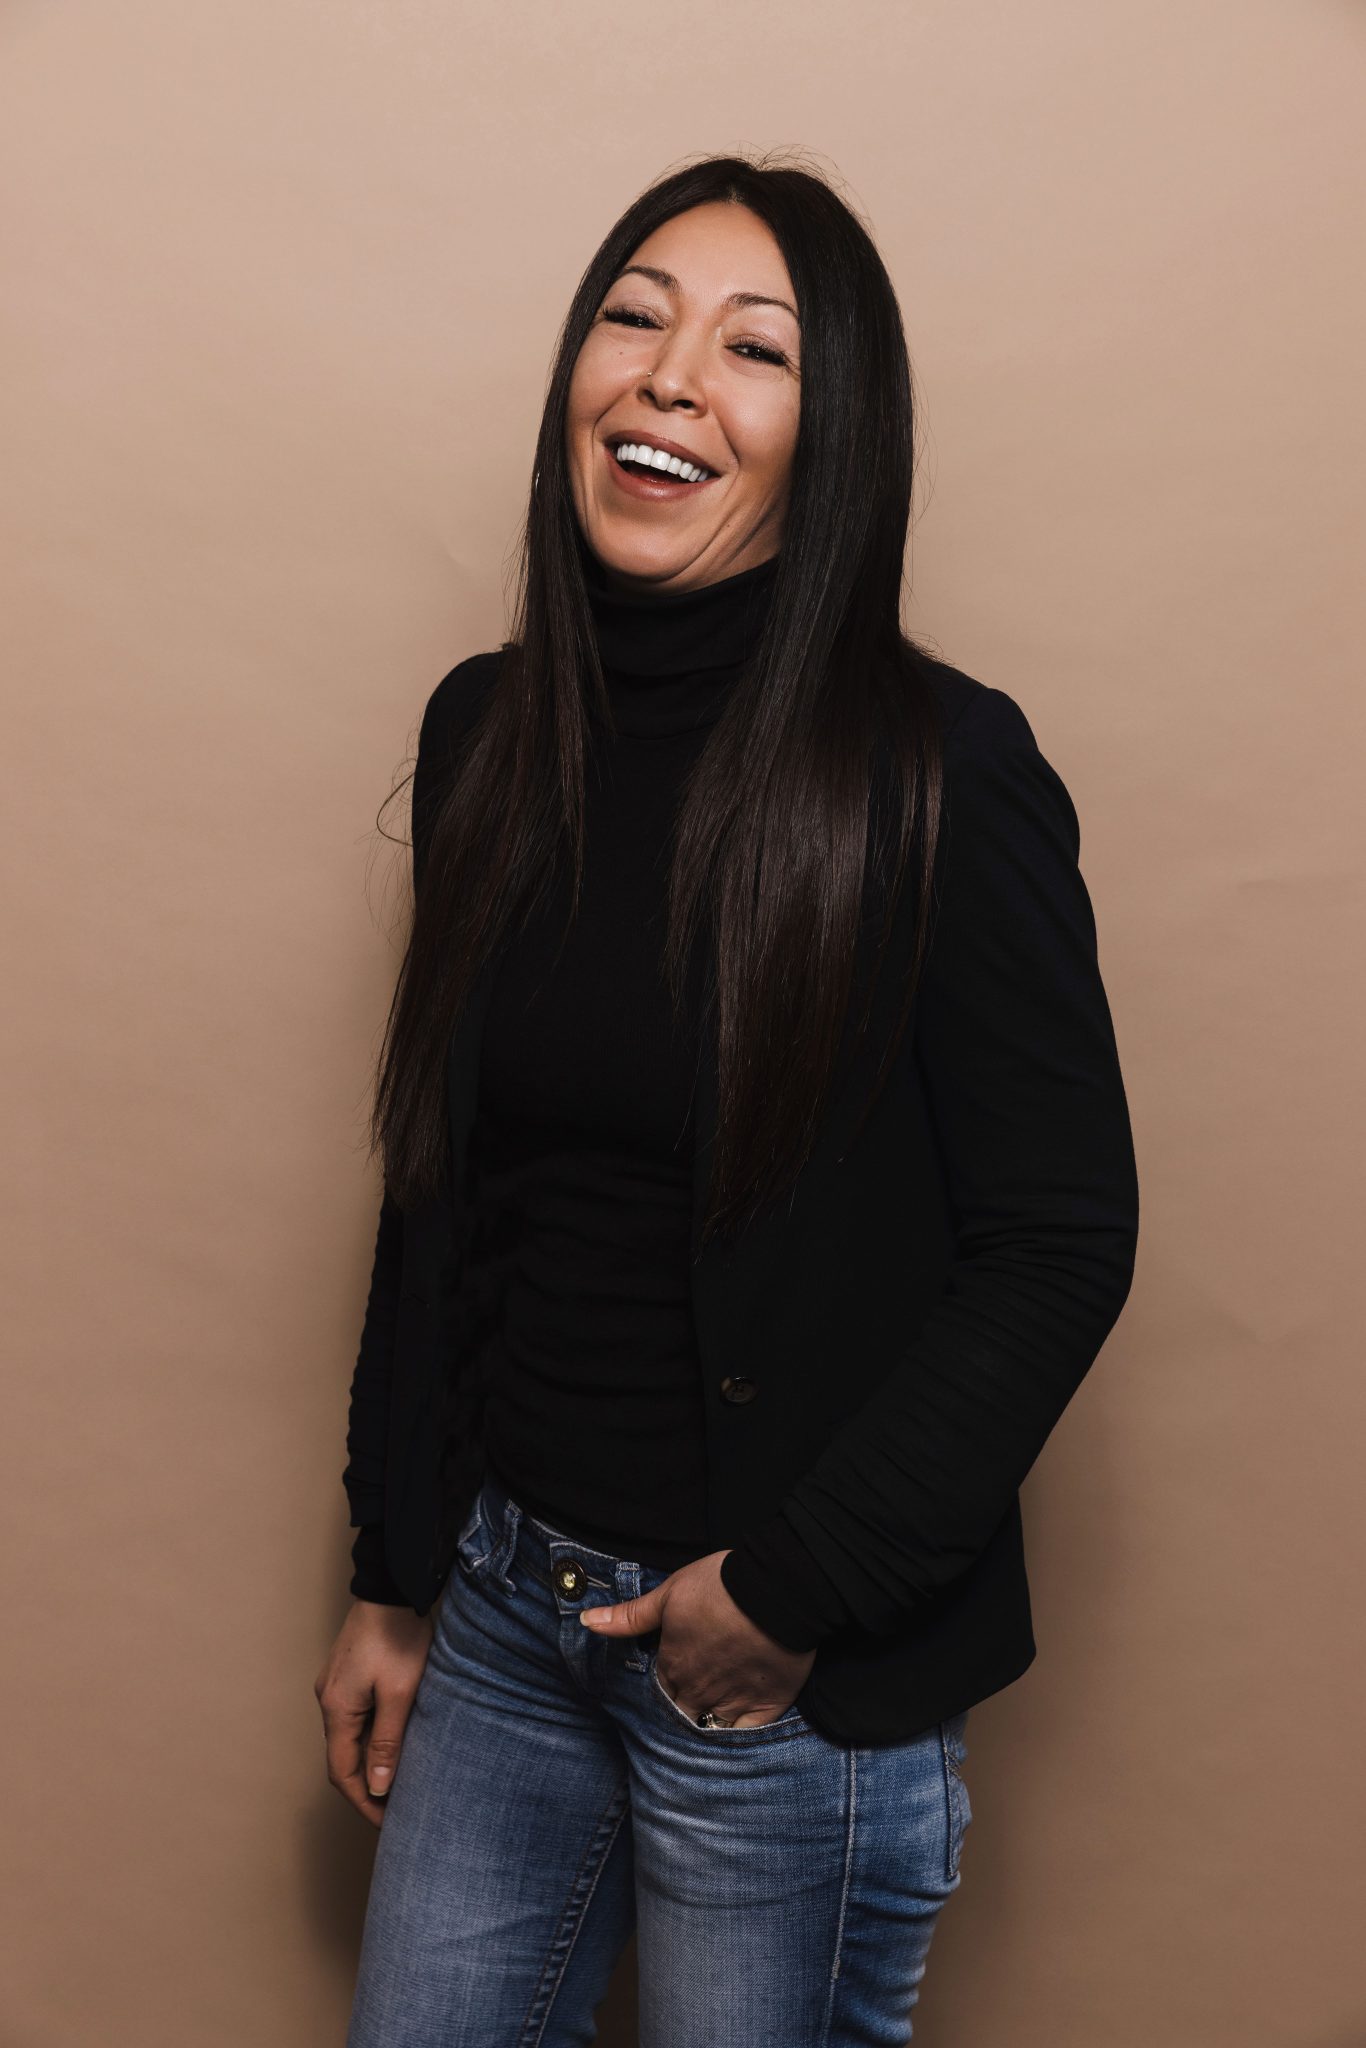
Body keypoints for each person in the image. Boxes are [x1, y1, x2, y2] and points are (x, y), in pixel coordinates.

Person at [315, 151, 1139, 2045]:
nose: (669, 376)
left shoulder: (940, 775)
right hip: (501, 1616)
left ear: (833, 440)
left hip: (774, 1679)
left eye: (753, 349)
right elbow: (443, 1190)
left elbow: (1056, 1240)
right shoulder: (487, 733)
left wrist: (790, 1588)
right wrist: (393, 1575)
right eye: (631, 318)